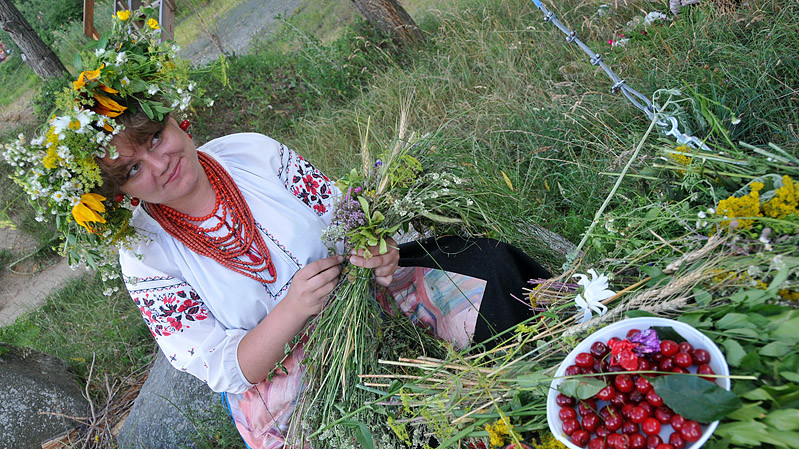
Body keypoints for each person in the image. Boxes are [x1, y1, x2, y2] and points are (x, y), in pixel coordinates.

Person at [3, 9, 550, 448]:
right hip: (288, 378)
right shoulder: (145, 253)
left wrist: (378, 254)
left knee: (488, 269)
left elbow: (346, 221)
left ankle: (538, 403)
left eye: (152, 138)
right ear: (118, 194)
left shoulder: (252, 154)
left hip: (367, 298)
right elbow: (223, 368)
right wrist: (292, 308)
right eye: (131, 171)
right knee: (377, 428)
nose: (158, 164)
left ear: (175, 120)